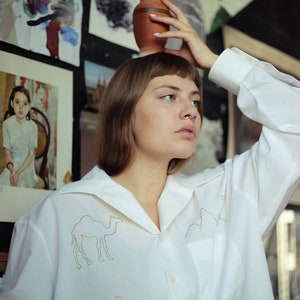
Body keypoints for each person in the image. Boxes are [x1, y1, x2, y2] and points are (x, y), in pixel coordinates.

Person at [1, 0, 300, 298]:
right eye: (169, 96)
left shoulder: (228, 196)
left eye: (195, 100)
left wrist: (213, 61)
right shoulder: (54, 219)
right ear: (126, 111)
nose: (191, 111)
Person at [0, 85, 44, 189]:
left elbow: (31, 154)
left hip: (27, 169)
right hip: (11, 167)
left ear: (29, 106)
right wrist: (12, 171)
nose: (21, 107)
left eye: (25, 104)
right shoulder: (6, 125)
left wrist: (18, 173)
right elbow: (7, 152)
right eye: (17, 102)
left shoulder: (33, 127)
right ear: (12, 103)